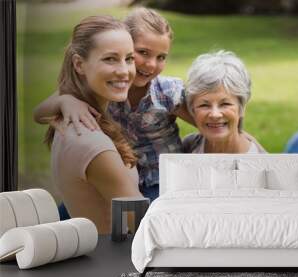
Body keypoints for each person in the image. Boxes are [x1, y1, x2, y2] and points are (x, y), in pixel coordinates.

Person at [33, 8, 194, 205]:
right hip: (120, 176)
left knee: (138, 219)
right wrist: (65, 101)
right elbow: (38, 113)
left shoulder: (167, 92)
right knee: (69, 211)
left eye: (161, 57)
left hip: (160, 182)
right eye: (143, 53)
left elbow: (208, 120)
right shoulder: (103, 90)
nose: (152, 65)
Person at [42, 15, 143, 234]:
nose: (124, 71)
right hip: (117, 260)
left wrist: (63, 100)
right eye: (110, 59)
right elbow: (143, 227)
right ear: (79, 64)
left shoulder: (71, 111)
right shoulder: (92, 143)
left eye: (129, 58)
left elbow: (38, 112)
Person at [182, 50, 266, 154]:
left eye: (225, 104)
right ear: (192, 110)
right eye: (204, 105)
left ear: (242, 107)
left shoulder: (262, 162)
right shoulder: (187, 148)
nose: (215, 114)